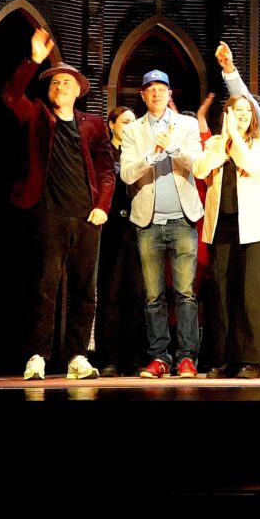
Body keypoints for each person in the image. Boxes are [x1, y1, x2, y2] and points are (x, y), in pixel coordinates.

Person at [3, 28, 114, 381]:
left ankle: (78, 356)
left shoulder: (93, 125)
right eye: (54, 83)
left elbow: (106, 170)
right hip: (48, 213)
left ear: (78, 91)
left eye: (66, 83)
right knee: (44, 287)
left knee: (84, 291)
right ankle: (37, 355)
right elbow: (11, 95)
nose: (60, 86)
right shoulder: (37, 114)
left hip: (87, 216)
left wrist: (102, 206)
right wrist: (34, 59)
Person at [120, 67, 205, 378]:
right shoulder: (133, 130)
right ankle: (159, 357)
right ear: (143, 96)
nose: (156, 94)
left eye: (161, 89)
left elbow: (199, 164)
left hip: (183, 220)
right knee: (153, 296)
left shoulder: (187, 124)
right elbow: (127, 173)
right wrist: (152, 155)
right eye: (150, 89)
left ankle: (187, 358)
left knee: (185, 293)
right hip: (148, 222)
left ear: (170, 94)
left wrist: (173, 148)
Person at [194, 93, 260, 378]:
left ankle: (250, 359)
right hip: (222, 226)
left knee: (251, 294)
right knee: (222, 294)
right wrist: (224, 141)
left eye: (246, 110)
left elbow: (253, 166)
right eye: (236, 109)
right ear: (226, 113)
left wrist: (235, 138)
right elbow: (200, 169)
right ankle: (224, 358)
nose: (242, 114)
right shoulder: (215, 143)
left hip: (254, 229)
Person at [94, 104, 145, 376]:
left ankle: (132, 359)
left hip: (137, 228)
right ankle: (108, 359)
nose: (129, 126)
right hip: (111, 229)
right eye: (124, 121)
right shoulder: (104, 153)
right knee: (110, 294)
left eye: (133, 122)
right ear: (111, 125)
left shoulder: (138, 152)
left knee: (136, 295)